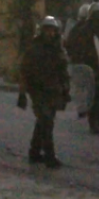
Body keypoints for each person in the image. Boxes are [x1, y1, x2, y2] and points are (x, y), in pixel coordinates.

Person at [18, 16, 70, 169]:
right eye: (47, 30)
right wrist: (22, 93)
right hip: (38, 90)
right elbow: (24, 71)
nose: (50, 33)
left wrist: (65, 89)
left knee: (44, 122)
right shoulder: (34, 49)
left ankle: (34, 152)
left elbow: (63, 71)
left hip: (53, 90)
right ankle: (49, 156)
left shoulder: (58, 49)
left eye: (52, 30)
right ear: (42, 31)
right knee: (46, 122)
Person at [69, 1, 99, 134]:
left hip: (97, 65)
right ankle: (94, 121)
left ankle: (97, 120)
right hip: (94, 65)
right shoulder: (92, 28)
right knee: (97, 95)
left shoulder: (93, 28)